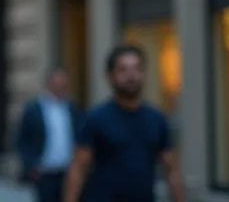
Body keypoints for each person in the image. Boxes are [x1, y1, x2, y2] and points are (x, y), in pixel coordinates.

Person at [62, 45, 185, 202]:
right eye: (123, 70)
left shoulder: (156, 119)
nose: (131, 76)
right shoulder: (96, 118)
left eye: (136, 69)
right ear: (111, 76)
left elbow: (171, 170)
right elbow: (78, 169)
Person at [16, 67, 81, 202]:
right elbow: (21, 138)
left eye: (64, 83)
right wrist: (31, 165)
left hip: (67, 170)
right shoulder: (34, 109)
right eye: (58, 82)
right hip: (45, 171)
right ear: (49, 83)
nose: (62, 86)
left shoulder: (71, 107)